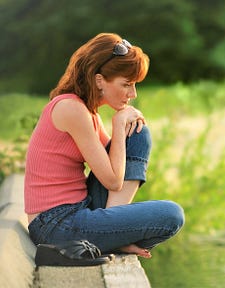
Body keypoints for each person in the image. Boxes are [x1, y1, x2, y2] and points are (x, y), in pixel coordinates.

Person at [24, 33, 185, 261]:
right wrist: (118, 124)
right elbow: (112, 180)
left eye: (135, 85)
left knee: (138, 134)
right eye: (126, 84)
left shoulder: (87, 112)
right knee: (172, 215)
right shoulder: (71, 109)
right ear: (100, 80)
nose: (133, 94)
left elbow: (118, 162)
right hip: (55, 226)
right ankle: (114, 237)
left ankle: (112, 235)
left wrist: (124, 127)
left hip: (78, 211)